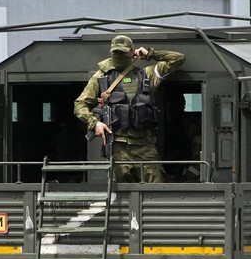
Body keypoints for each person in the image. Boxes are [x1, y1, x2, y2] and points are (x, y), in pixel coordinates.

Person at [74, 35, 185, 183]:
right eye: (116, 52)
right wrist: (94, 124)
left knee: (157, 192)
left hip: (145, 146)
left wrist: (150, 54)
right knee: (122, 198)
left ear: (132, 51)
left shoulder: (147, 74)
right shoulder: (101, 76)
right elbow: (80, 105)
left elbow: (178, 59)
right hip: (119, 147)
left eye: (122, 52)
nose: (118, 55)